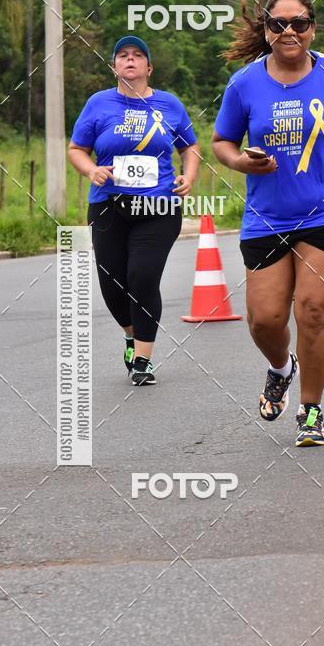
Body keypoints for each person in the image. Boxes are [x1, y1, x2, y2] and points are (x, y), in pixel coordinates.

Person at [212, 0, 324, 447]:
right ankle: (281, 367)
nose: (289, 31)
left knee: (315, 310)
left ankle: (311, 409)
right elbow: (222, 141)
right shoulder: (244, 82)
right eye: (278, 24)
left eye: (298, 23)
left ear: (312, 28)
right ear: (266, 30)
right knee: (264, 319)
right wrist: (241, 161)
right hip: (267, 215)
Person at [68, 36, 199, 385]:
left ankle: (142, 359)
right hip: (108, 205)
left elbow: (191, 146)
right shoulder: (98, 104)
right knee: (113, 286)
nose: (130, 60)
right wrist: (90, 170)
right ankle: (130, 333)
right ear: (114, 66)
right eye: (122, 56)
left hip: (158, 204)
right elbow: (77, 148)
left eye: (137, 56)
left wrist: (189, 176)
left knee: (142, 276)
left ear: (148, 67)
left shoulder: (169, 105)